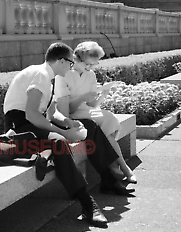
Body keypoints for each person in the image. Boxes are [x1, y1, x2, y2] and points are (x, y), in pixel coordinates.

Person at [3, 42, 112, 226]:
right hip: (19, 126)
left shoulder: (47, 76)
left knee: (83, 128)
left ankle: (107, 179)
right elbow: (31, 114)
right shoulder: (41, 74)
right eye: (70, 63)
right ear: (61, 61)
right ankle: (87, 204)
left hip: (30, 124)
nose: (71, 67)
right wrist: (62, 132)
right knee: (59, 142)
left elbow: (52, 113)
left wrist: (67, 122)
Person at [55, 41, 137, 184]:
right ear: (76, 60)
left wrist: (104, 93)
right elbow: (65, 112)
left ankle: (118, 167)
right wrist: (82, 97)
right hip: (71, 116)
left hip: (87, 112)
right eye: (88, 64)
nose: (91, 68)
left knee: (108, 119)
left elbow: (92, 104)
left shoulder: (90, 74)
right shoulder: (64, 75)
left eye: (94, 64)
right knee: (102, 125)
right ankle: (122, 167)